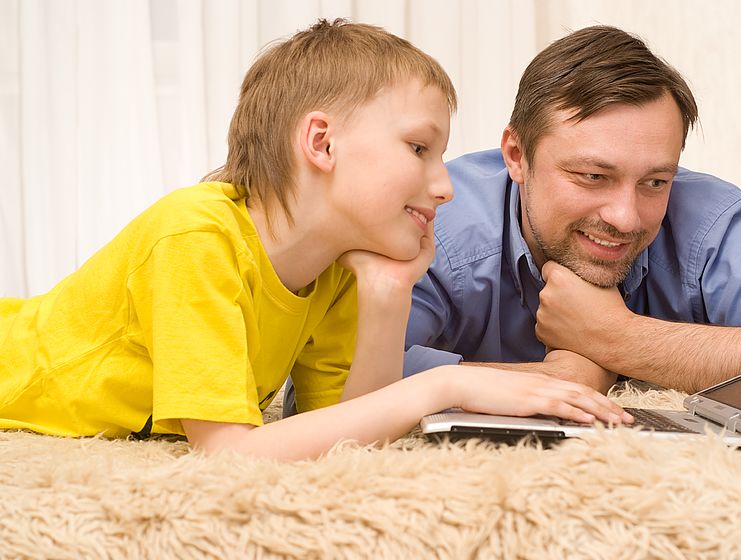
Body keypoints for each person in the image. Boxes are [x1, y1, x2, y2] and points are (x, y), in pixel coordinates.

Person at [0, 19, 632, 462]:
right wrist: (445, 385)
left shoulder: (333, 272)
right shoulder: (194, 236)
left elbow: (345, 435)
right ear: (322, 143)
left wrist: (386, 297)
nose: (444, 185)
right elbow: (228, 454)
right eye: (419, 148)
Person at [399, 25, 741, 396]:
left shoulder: (706, 221)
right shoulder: (437, 220)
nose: (626, 218)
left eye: (654, 182)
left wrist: (615, 337)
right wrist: (564, 377)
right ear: (517, 156)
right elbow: (344, 376)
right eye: (592, 176)